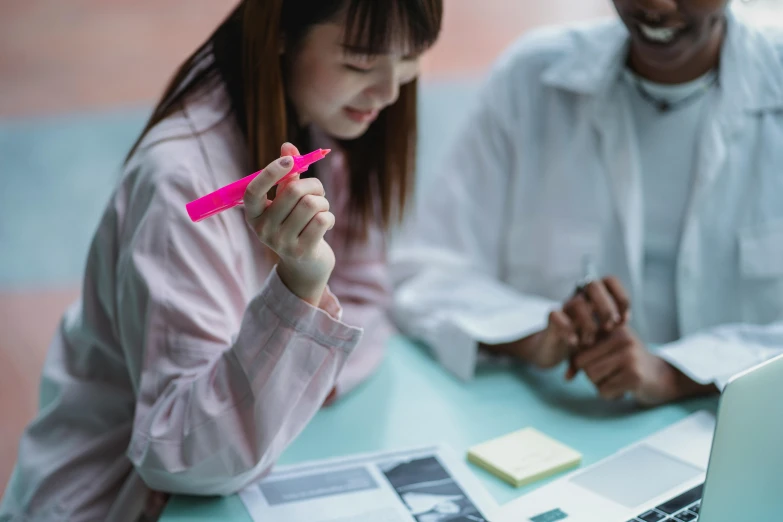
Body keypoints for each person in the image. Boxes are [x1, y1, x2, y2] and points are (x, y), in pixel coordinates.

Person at [0, 1, 442, 520]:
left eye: (412, 57)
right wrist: (300, 294)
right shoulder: (180, 182)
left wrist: (292, 381)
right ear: (280, 31)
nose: (390, 92)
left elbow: (367, 296)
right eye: (360, 64)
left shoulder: (324, 119)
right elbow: (180, 453)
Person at [391, 0, 783, 406]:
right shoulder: (531, 79)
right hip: (561, 423)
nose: (657, 5)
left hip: (748, 429)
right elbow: (425, 273)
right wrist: (537, 332)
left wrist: (674, 374)